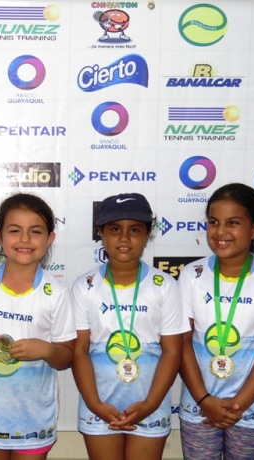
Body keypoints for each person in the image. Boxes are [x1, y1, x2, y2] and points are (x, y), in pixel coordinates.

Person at [178, 183, 254, 459]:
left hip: (250, 408)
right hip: (199, 407)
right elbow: (182, 343)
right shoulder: (191, 275)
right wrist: (205, 400)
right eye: (213, 222)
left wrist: (237, 405)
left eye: (233, 223)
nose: (221, 232)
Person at [71, 193, 189, 460]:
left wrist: (150, 403)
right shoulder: (84, 286)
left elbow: (172, 351)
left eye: (135, 230)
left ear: (148, 234)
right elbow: (79, 351)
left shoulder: (165, 286)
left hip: (150, 403)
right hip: (99, 405)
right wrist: (94, 404)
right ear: (101, 233)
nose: (124, 238)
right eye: (115, 229)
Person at [0, 193, 77, 459]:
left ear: (49, 239)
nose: (24, 239)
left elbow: (66, 357)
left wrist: (46, 350)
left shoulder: (57, 293)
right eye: (14, 231)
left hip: (34, 416)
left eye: (35, 231)